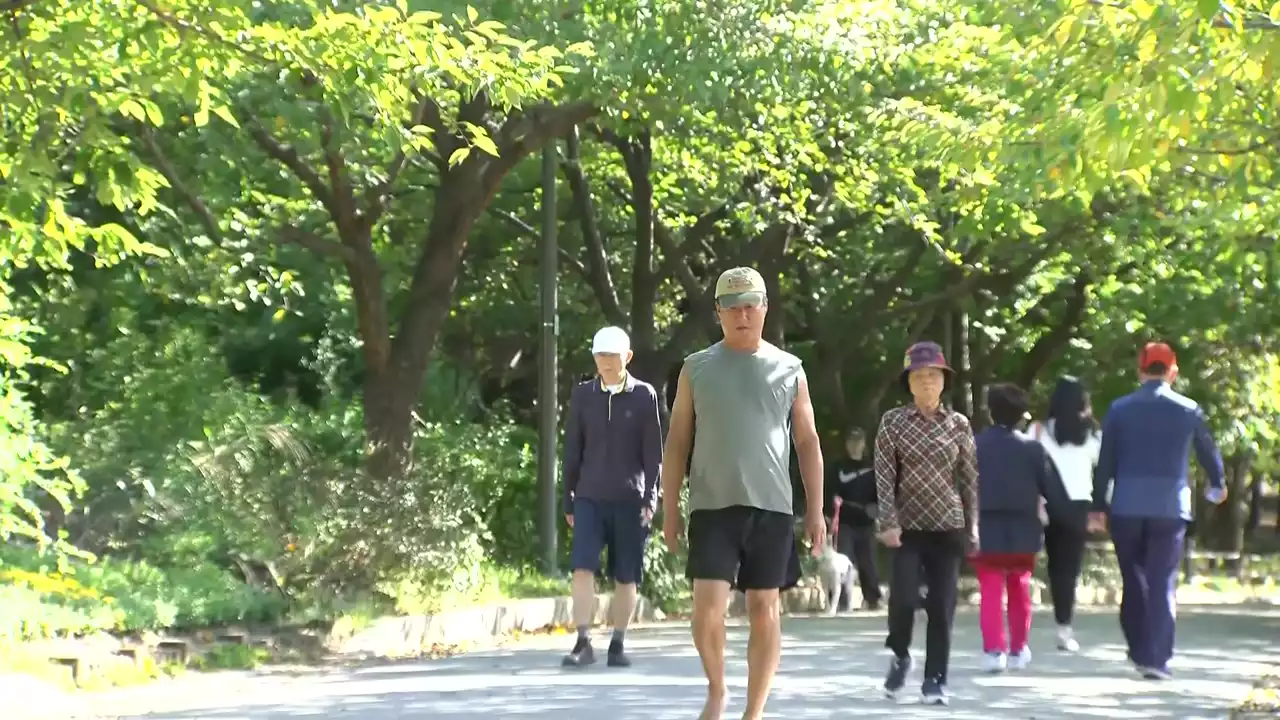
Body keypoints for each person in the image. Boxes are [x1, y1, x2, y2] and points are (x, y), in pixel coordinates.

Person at [660, 266, 824, 720]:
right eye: (732, 307)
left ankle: (754, 711)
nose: (742, 314)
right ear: (718, 313)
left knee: (763, 606)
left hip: (771, 507)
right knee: (707, 607)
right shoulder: (696, 368)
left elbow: (807, 441)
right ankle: (717, 689)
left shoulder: (790, 368)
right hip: (712, 505)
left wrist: (815, 510)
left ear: (765, 308)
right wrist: (669, 508)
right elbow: (676, 442)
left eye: (751, 305)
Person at [1090, 342, 1228, 680]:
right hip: (1169, 508)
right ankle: (1157, 658)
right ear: (1173, 372)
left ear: (1140, 371)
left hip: (1126, 508)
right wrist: (1217, 484)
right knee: (1162, 582)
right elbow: (1208, 452)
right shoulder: (1188, 410)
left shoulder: (1120, 409)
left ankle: (1139, 649)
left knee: (1134, 582)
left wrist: (1097, 507)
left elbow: (1105, 462)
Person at [873, 340, 978, 706]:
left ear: (944, 381)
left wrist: (972, 527)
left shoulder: (958, 425)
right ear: (909, 383)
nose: (927, 382)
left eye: (933, 375)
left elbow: (968, 479)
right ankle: (900, 653)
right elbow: (884, 476)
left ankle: (936, 679)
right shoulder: (894, 423)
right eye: (919, 376)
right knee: (902, 598)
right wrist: (888, 521)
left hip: (948, 527)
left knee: (942, 606)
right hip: (907, 528)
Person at [560, 326, 664, 669]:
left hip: (630, 499)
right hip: (589, 496)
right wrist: (567, 496)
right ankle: (583, 641)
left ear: (627, 357)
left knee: (626, 575)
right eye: (600, 356)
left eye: (612, 356)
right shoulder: (583, 395)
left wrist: (652, 498)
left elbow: (653, 454)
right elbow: (573, 448)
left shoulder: (644, 395)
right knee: (582, 568)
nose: (605, 362)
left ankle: (617, 643)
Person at [973, 383, 1072, 674]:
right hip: (1024, 527)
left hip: (986, 525)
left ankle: (994, 650)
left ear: (990, 412)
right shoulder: (1033, 448)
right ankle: (1018, 648)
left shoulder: (974, 445)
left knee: (990, 589)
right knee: (1020, 588)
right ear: (1021, 415)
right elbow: (1052, 490)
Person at [1026, 376, 1102, 652]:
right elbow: (1105, 473)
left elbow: (1024, 464)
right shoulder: (1093, 435)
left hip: (1042, 506)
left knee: (1025, 565)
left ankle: (1011, 628)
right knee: (1067, 571)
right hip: (1078, 507)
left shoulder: (1037, 431)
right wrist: (1101, 509)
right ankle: (1063, 628)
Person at [824, 428, 882, 610]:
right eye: (851, 442)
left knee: (868, 562)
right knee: (842, 562)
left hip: (866, 523)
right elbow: (828, 492)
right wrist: (827, 513)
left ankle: (872, 599)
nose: (855, 446)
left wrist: (878, 512)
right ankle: (840, 602)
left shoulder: (872, 467)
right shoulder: (838, 467)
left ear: (864, 444)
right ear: (846, 444)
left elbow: (880, 493)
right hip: (844, 523)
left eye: (858, 442)